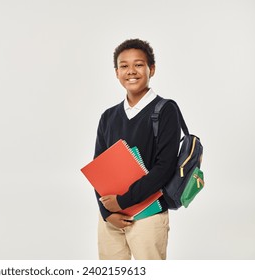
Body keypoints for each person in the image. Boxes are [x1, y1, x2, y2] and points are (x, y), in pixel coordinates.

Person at [93, 38, 181, 260]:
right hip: (112, 218)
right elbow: (98, 170)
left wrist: (122, 202)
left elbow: (164, 168)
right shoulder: (109, 117)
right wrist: (107, 212)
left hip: (148, 216)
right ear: (116, 72)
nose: (131, 71)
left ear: (152, 69)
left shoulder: (165, 110)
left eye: (139, 64)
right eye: (124, 66)